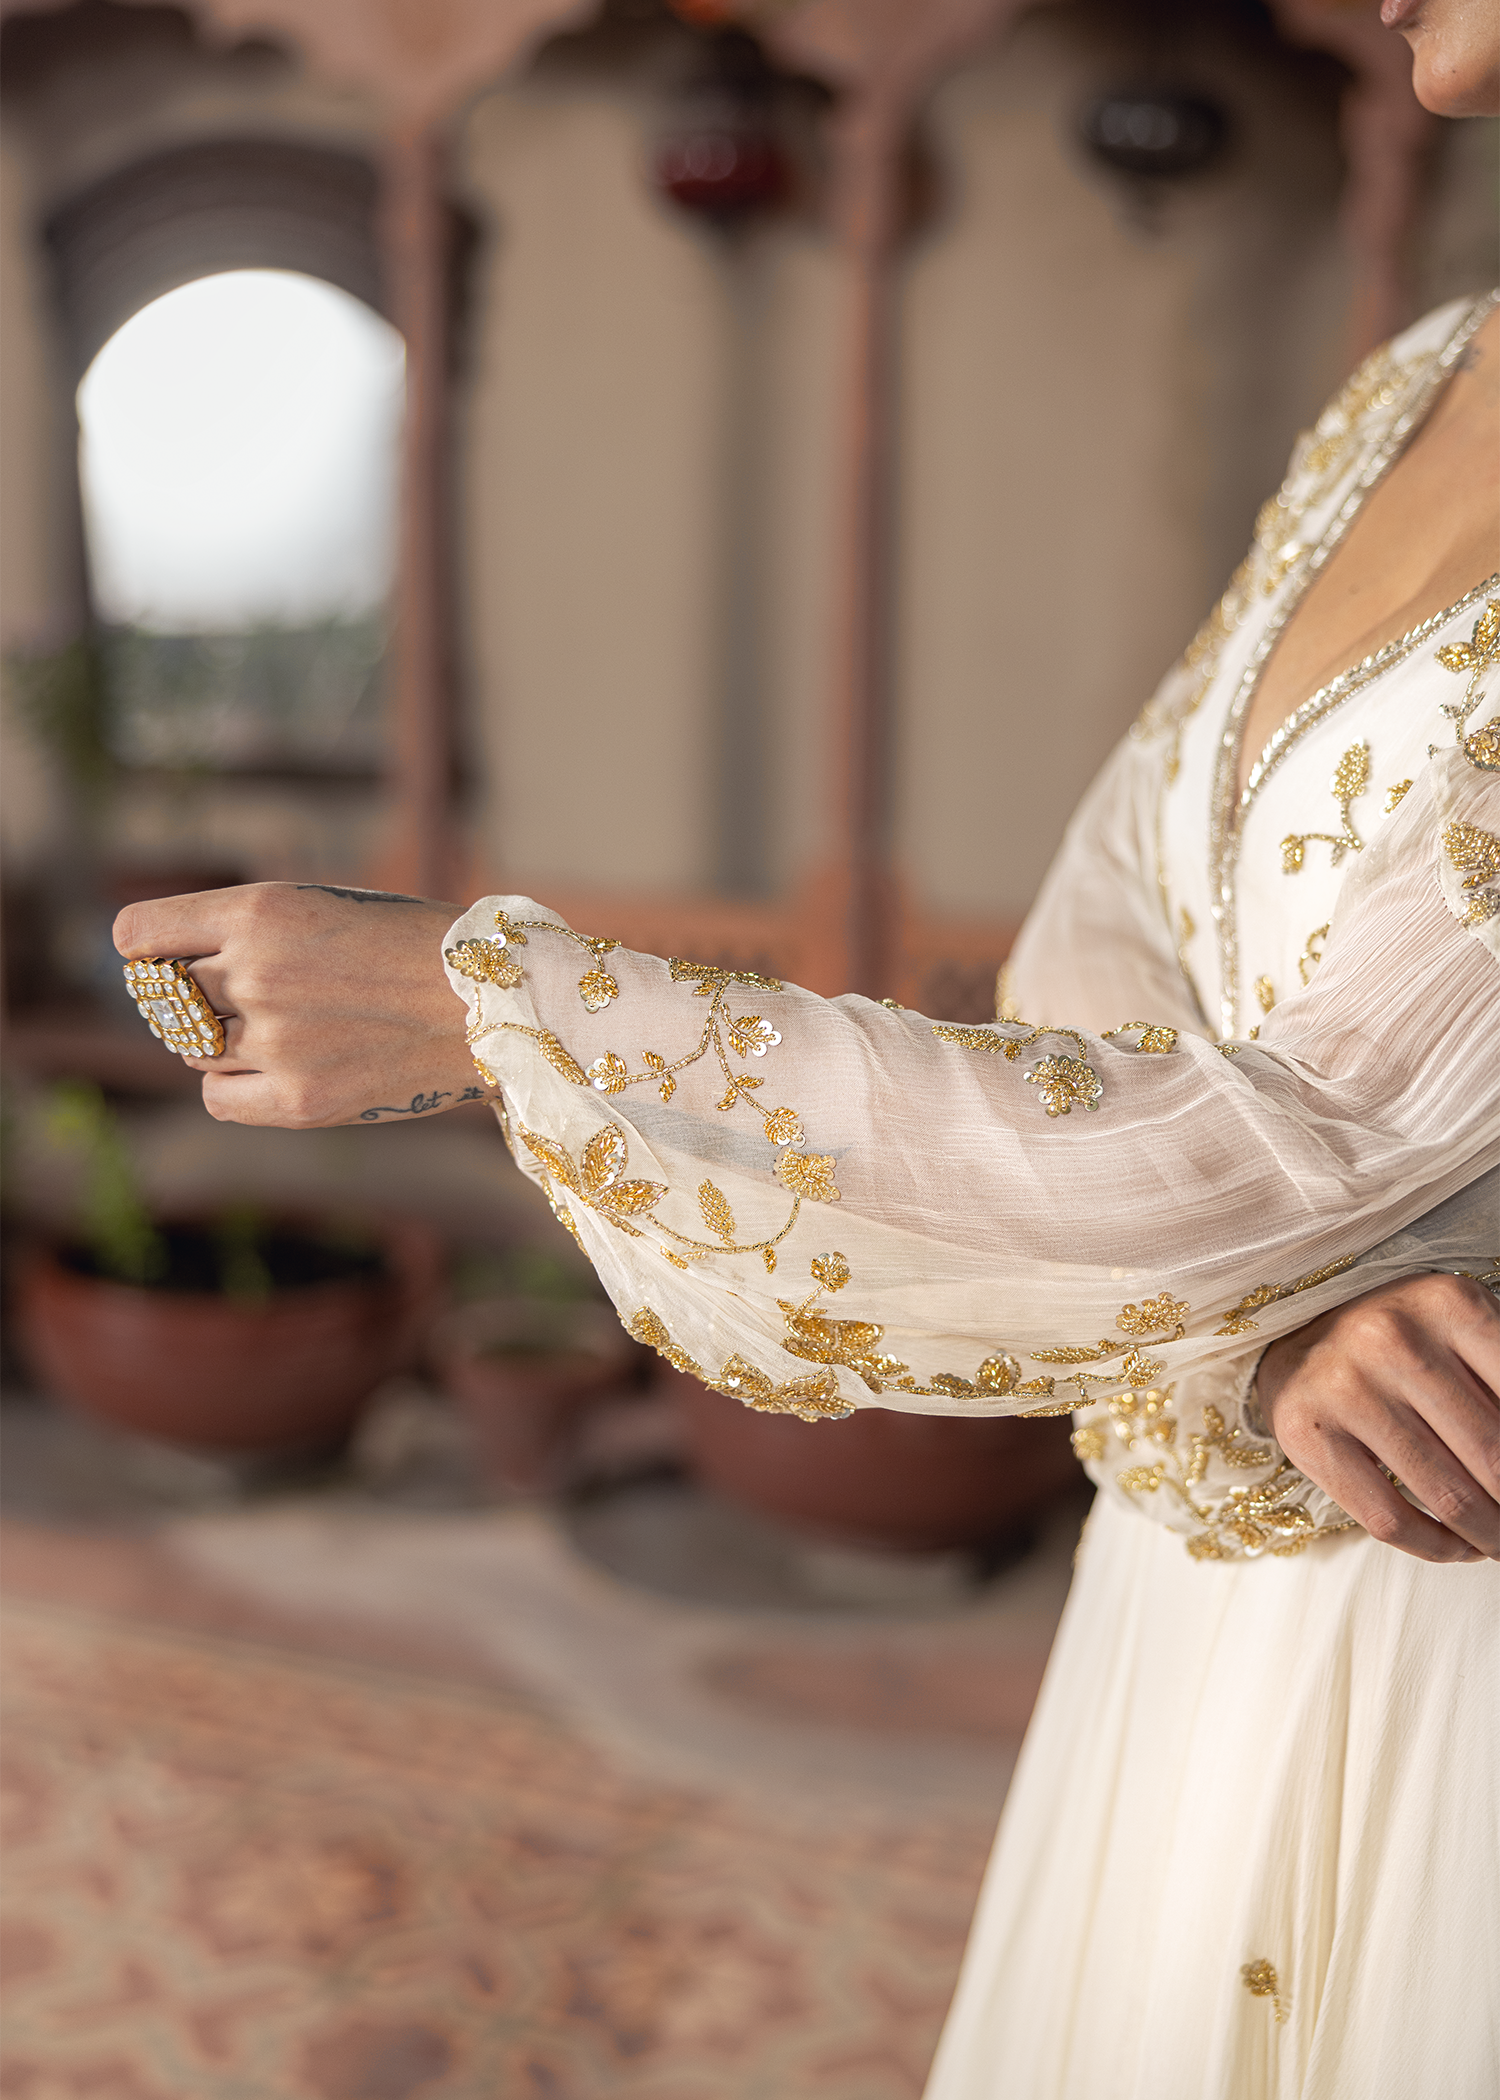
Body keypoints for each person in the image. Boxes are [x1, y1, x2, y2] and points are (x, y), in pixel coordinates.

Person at [112, 5, 1500, 2089]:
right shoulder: (1422, 378)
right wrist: (1262, 1327)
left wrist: (488, 1005)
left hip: (1450, 1575)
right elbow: (1104, 944)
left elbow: (1307, 1133)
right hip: (1259, 1534)